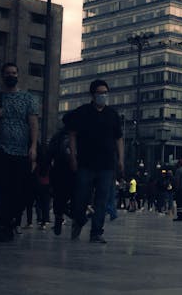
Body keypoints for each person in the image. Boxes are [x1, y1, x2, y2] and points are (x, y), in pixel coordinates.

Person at [0, 63, 38, 242]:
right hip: (0, 149)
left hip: (21, 151)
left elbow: (33, 123)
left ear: (18, 75)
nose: (11, 75)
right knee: (0, 190)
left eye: (14, 73)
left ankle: (14, 218)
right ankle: (3, 226)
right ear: (2, 76)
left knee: (20, 190)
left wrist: (34, 146)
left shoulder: (28, 98)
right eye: (8, 73)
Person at [64, 79, 124, 244]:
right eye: (100, 93)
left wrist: (120, 159)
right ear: (93, 94)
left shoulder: (112, 115)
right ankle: (79, 219)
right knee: (81, 198)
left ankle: (96, 232)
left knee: (102, 200)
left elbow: (119, 138)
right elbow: (72, 134)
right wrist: (73, 156)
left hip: (106, 165)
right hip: (86, 163)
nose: (103, 96)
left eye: (105, 92)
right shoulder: (82, 112)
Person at [48, 126, 75, 235]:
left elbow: (49, 153)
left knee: (58, 197)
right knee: (71, 196)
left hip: (58, 171)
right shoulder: (77, 136)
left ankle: (59, 217)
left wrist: (45, 166)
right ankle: (68, 213)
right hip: (72, 171)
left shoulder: (57, 137)